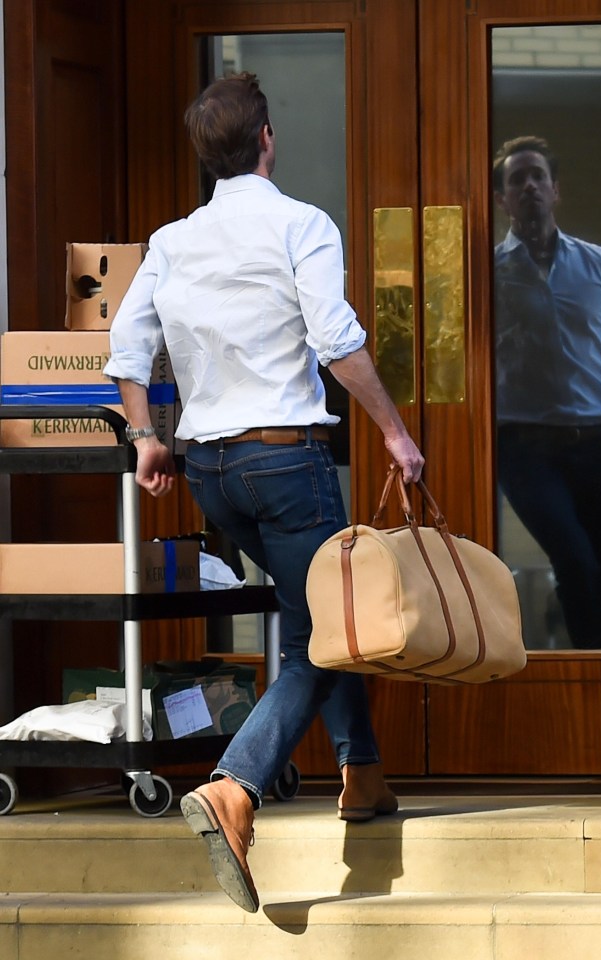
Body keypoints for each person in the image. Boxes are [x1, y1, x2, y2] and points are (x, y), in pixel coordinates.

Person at [103, 71, 424, 912]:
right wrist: (393, 430)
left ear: (207, 156)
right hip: (283, 461)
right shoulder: (301, 224)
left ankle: (363, 774)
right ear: (268, 139)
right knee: (325, 631)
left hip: (208, 470)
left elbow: (126, 350)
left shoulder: (171, 240)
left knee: (317, 610)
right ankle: (235, 788)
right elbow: (336, 337)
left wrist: (146, 442)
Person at [492, 135, 601, 650]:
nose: (529, 185)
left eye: (539, 176)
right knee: (574, 559)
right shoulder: (486, 275)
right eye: (517, 179)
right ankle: (586, 679)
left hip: (599, 444)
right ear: (502, 199)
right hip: (525, 450)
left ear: (556, 190)